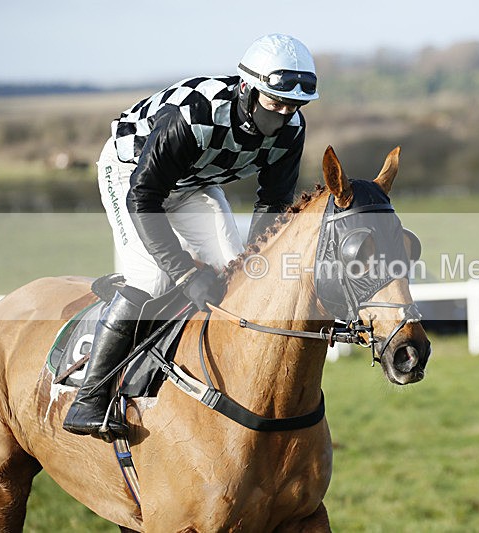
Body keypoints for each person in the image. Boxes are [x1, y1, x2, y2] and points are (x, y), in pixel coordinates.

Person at [63, 33, 319, 437]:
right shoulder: (195, 115)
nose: (284, 114)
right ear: (249, 89)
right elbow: (144, 197)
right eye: (275, 102)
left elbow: (272, 203)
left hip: (193, 184)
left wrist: (259, 264)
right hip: (132, 175)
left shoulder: (292, 129)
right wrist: (185, 273)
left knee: (236, 273)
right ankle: (88, 399)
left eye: (294, 106)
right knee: (153, 278)